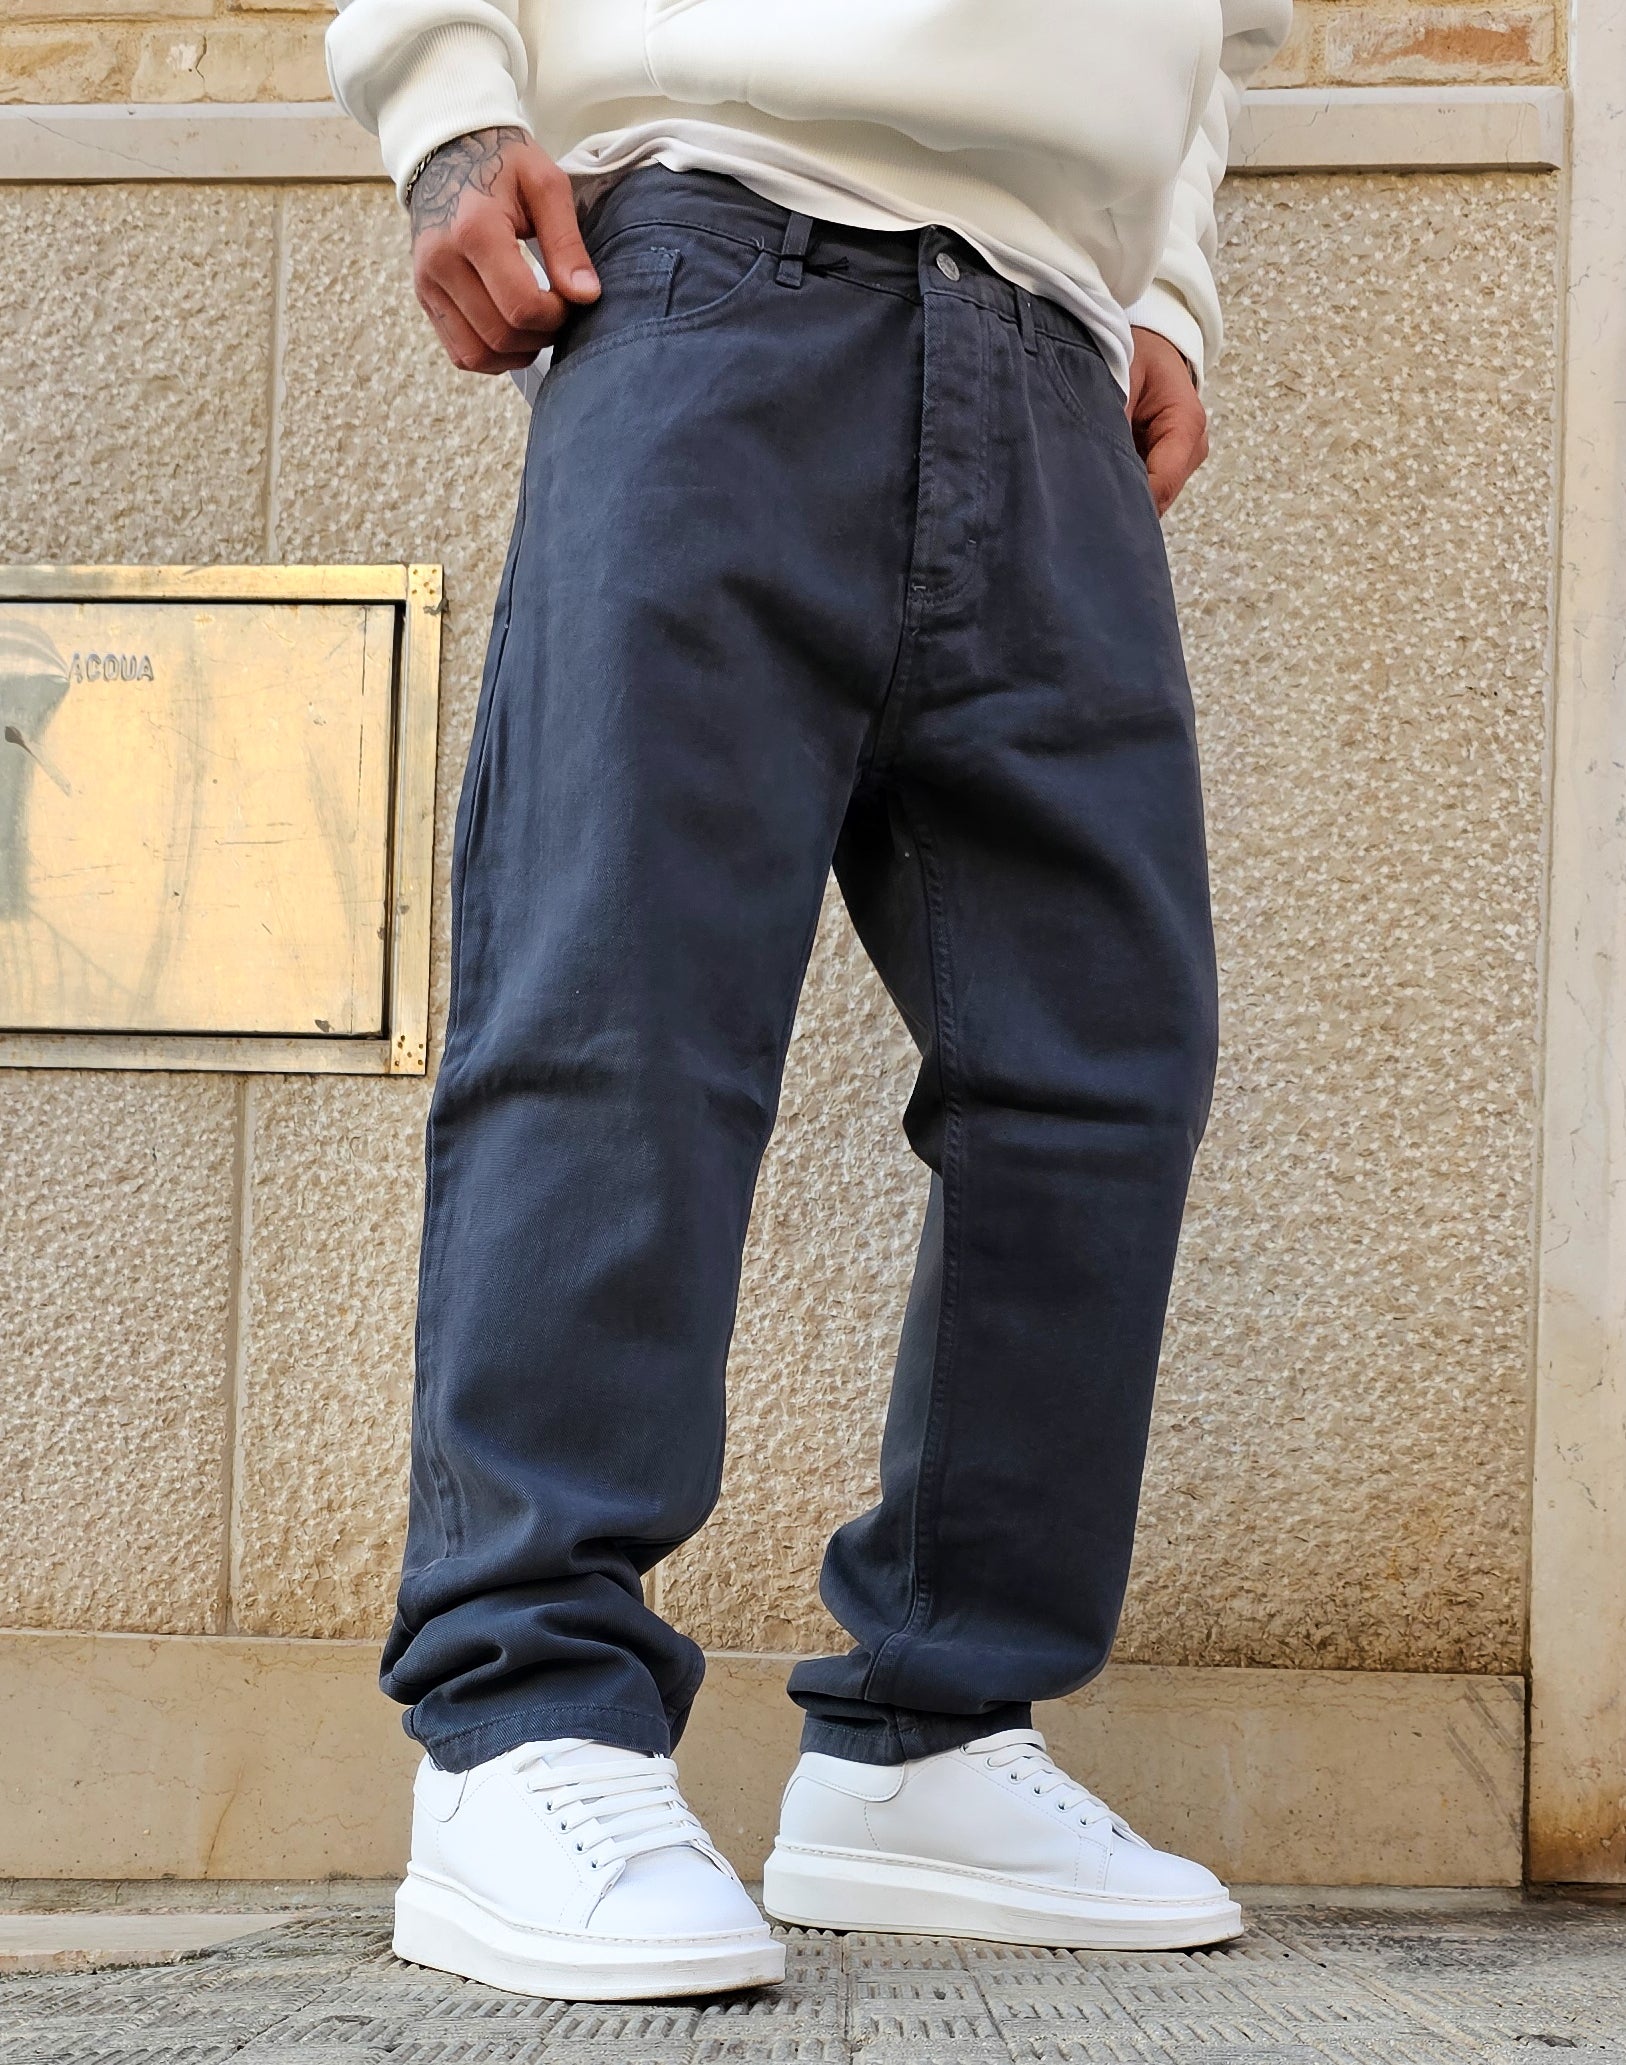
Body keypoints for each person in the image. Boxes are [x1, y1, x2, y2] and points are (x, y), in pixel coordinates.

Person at [326, 0, 1293, 2004]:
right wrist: (446, 109)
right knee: (622, 1002)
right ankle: (524, 1715)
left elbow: (1223, 30)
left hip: (1055, 347)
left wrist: (1165, 294)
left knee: (1098, 1065)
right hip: (718, 254)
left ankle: (930, 1736)